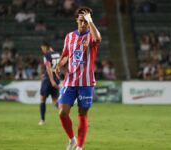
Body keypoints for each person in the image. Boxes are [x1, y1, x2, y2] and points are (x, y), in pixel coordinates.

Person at [55, 6, 102, 150]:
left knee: (82, 114)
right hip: (70, 80)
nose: (83, 24)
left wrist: (91, 21)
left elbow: (98, 39)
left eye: (86, 22)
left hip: (86, 82)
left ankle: (79, 147)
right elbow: (65, 55)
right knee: (62, 112)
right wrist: (59, 65)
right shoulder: (69, 36)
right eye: (81, 20)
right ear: (76, 19)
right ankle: (72, 139)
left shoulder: (91, 35)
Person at [39, 41, 60, 125]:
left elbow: (48, 68)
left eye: (42, 48)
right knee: (55, 100)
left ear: (45, 47)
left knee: (42, 99)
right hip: (56, 77)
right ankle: (65, 115)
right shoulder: (57, 54)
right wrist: (57, 77)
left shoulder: (47, 55)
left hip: (48, 79)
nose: (42, 50)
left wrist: (51, 81)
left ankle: (42, 120)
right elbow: (59, 66)